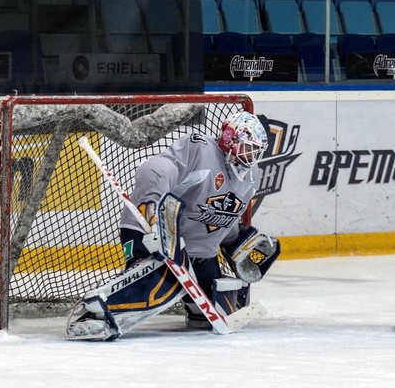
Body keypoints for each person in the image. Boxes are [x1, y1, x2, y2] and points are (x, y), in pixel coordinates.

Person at [65, 111, 281, 340]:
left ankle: (193, 308)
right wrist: (152, 208)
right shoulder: (201, 151)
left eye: (257, 150)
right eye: (248, 147)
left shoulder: (250, 176)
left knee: (214, 306)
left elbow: (226, 215)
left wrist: (235, 240)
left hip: (197, 252)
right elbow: (153, 170)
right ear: (230, 140)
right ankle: (94, 313)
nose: (253, 156)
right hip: (152, 231)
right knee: (158, 283)